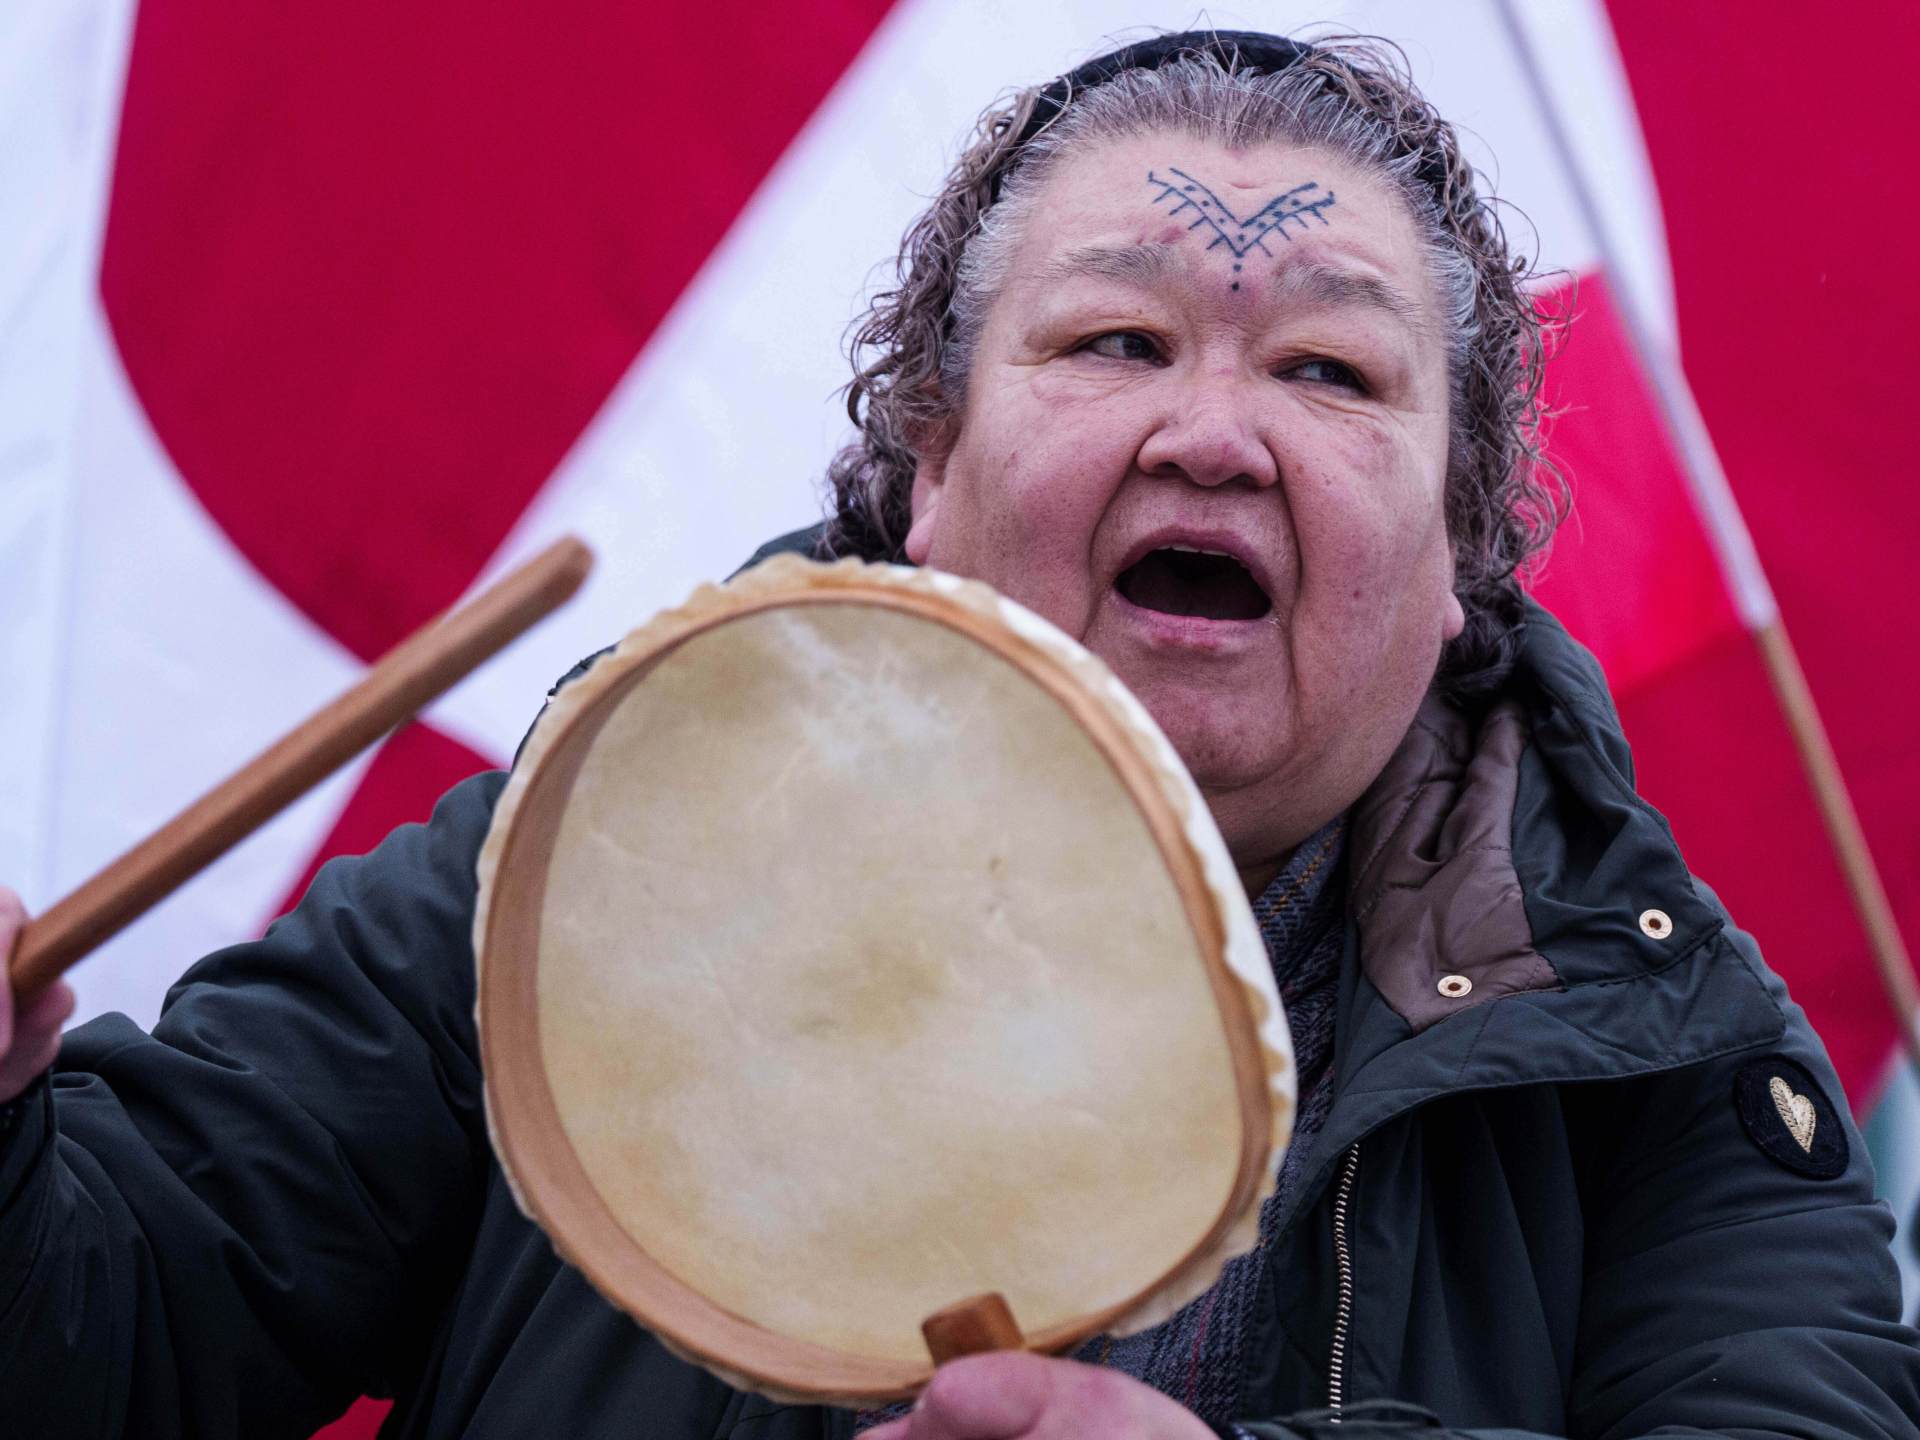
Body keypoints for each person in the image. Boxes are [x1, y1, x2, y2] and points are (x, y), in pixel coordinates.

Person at [2, 29, 1916, 1440]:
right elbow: (93, 1344)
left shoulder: (1661, 1057)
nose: (1214, 433)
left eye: (1331, 370)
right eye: (1113, 343)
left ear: (1459, 562)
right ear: (928, 463)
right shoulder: (565, 886)